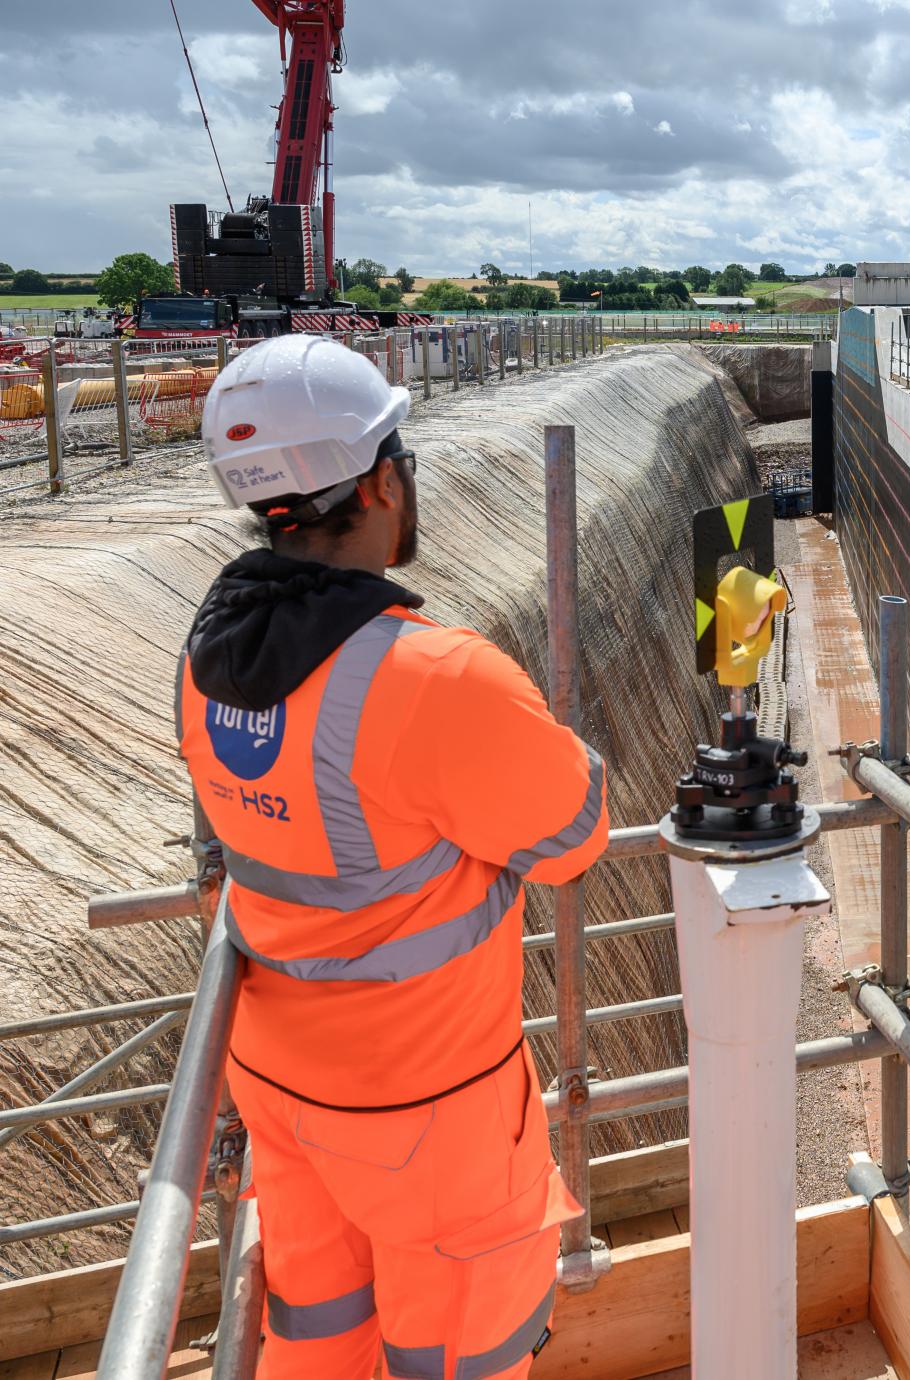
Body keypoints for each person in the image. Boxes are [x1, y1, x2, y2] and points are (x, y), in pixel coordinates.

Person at [178, 334, 608, 1378]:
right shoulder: (435, 678)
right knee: (460, 1353)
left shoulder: (211, 657)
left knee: (319, 1343)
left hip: (282, 1088)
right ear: (378, 480)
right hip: (431, 1117)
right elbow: (572, 837)